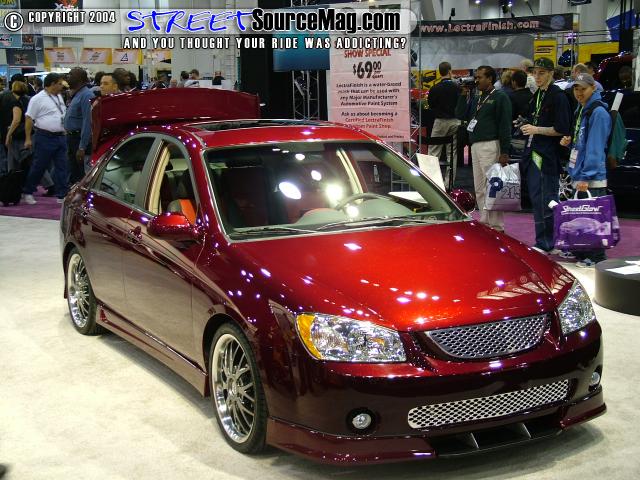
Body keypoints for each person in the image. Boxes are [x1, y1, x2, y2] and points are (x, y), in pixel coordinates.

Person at [520, 58, 572, 253]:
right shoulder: (539, 94)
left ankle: (547, 242)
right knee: (537, 198)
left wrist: (536, 129)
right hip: (534, 153)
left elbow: (561, 128)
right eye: (535, 73)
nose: (537, 76)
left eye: (541, 73)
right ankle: (544, 240)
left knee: (546, 198)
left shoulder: (558, 96)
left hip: (547, 155)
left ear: (551, 73)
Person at [560, 73, 610, 267]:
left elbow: (595, 148)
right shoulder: (582, 109)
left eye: (583, 89)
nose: (579, 93)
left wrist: (586, 177)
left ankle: (597, 258)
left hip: (591, 177)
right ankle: (583, 253)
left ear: (593, 88)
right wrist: (570, 142)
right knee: (581, 217)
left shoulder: (598, 112)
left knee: (593, 219)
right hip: (579, 172)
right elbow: (582, 141)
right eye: (576, 89)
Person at [456, 65, 512, 231]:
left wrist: (504, 151)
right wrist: (463, 95)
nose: (476, 80)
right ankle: (485, 221)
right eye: (476, 77)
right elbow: (460, 114)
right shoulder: (478, 98)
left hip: (491, 145)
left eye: (480, 77)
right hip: (475, 146)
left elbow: (505, 125)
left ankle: (497, 226)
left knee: (493, 187)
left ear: (490, 78)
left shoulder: (500, 97)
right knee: (479, 187)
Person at [21, 73, 68, 205]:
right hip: (45, 137)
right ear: (52, 84)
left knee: (62, 167)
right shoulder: (37, 99)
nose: (62, 86)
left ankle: (62, 194)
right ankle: (28, 191)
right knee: (39, 166)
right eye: (59, 83)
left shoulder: (59, 96)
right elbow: (29, 118)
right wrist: (28, 138)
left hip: (61, 136)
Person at [427, 61, 461, 186]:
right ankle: (449, 183)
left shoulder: (435, 88)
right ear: (450, 71)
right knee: (452, 153)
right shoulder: (457, 88)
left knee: (433, 152)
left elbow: (431, 105)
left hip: (440, 121)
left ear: (439, 72)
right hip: (455, 121)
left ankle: (432, 183)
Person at [64, 67, 94, 183]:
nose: (68, 77)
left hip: (78, 140)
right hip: (72, 138)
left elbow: (88, 121)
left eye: (71, 75)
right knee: (74, 171)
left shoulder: (87, 95)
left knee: (80, 175)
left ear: (80, 79)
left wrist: (82, 147)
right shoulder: (77, 94)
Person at [3, 81, 30, 172]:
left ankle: (13, 177)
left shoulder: (16, 102)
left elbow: (16, 120)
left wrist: (8, 135)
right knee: (28, 160)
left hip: (18, 135)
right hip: (28, 132)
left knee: (14, 162)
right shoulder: (28, 100)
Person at [0, 81, 22, 175]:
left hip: (5, 128)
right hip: (12, 129)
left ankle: (5, 174)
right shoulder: (12, 97)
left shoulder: (3, 96)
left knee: (4, 154)